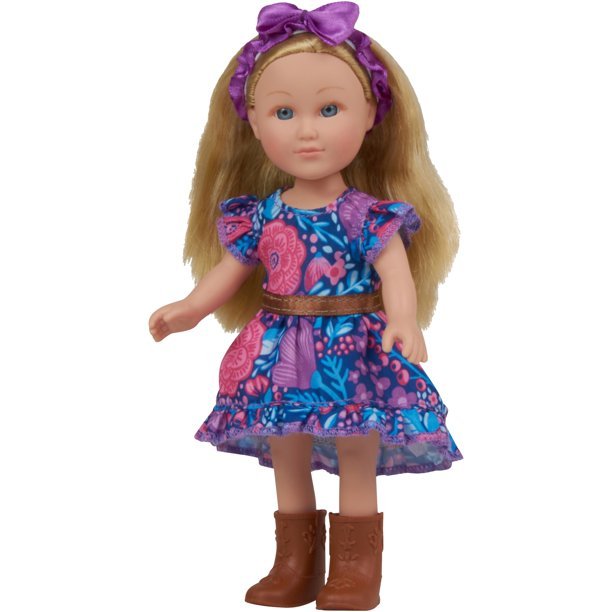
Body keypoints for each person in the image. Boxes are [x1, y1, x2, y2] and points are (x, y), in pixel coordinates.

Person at [149, 2, 463, 609]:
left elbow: (394, 273)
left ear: (370, 114)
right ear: (254, 122)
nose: (307, 131)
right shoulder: (261, 214)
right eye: (284, 112)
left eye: (329, 109)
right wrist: (189, 308)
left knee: (356, 449)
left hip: (353, 351)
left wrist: (403, 319)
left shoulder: (366, 215)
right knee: (285, 447)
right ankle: (293, 563)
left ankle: (355, 570)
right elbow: (231, 270)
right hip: (276, 351)